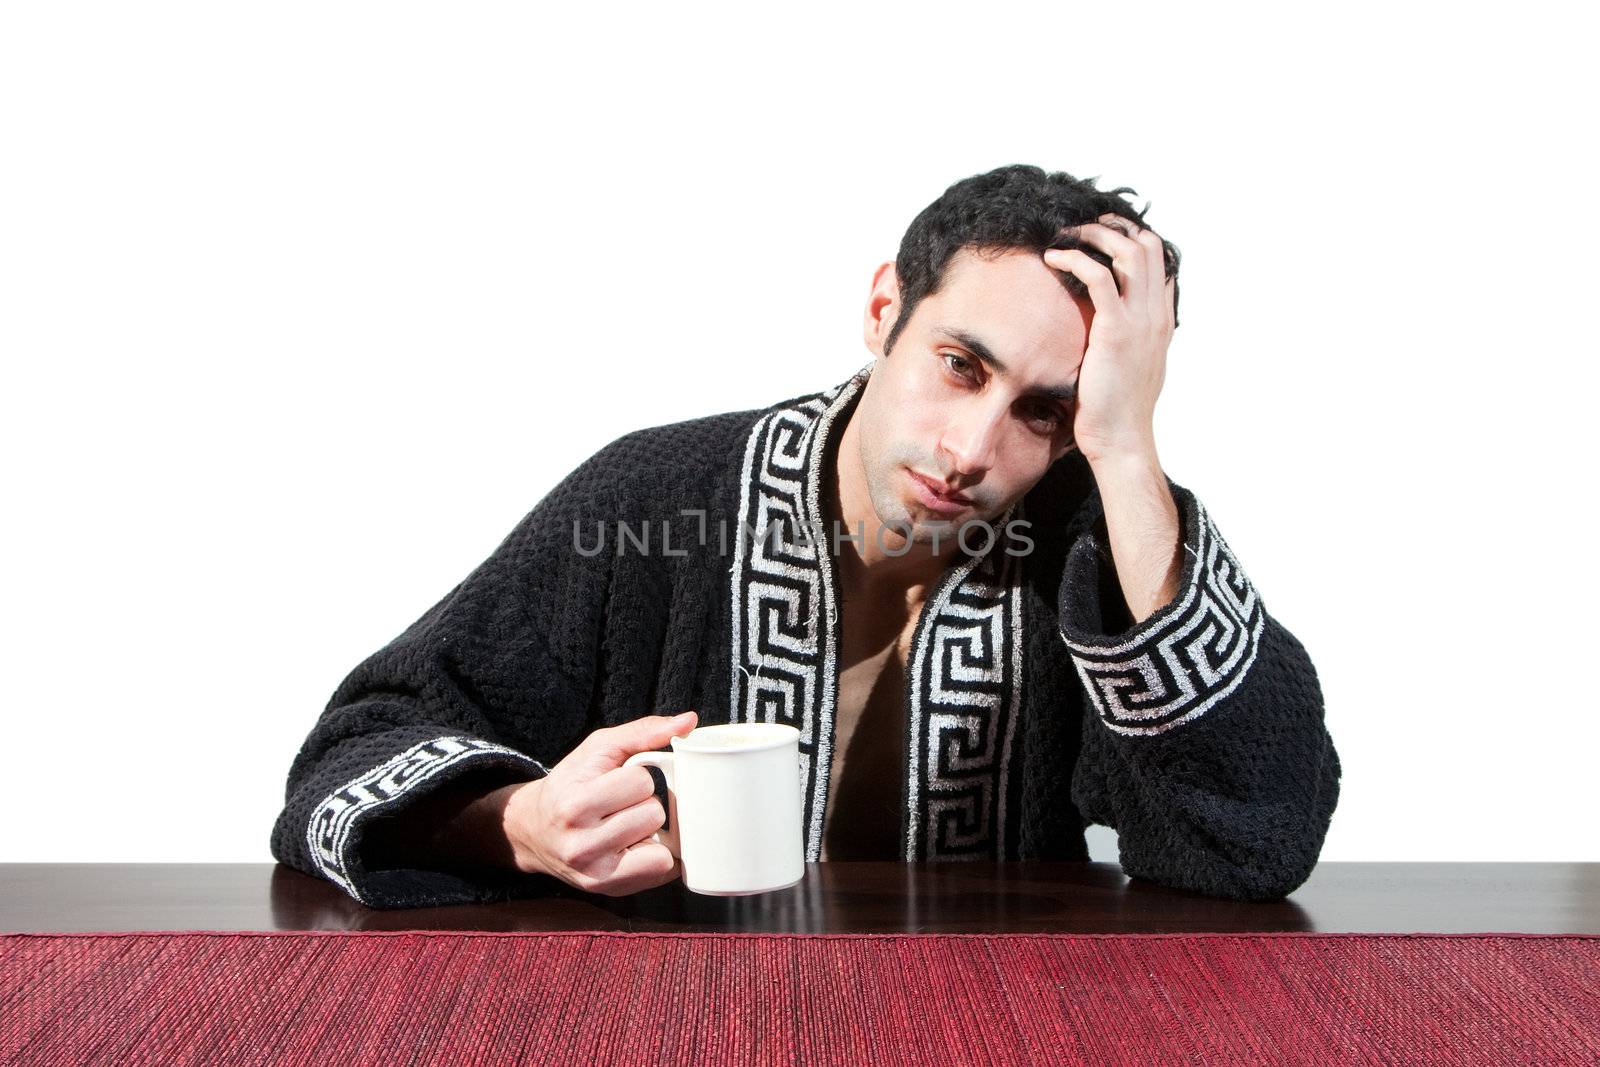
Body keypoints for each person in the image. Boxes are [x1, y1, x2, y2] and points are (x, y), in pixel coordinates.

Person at [270, 163, 1341, 909]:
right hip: (669, 1019)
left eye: (1042, 411)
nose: (971, 447)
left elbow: (1251, 840)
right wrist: (518, 820)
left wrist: (1123, 448)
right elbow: (351, 756)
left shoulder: (1092, 547)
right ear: (885, 310)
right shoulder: (655, 497)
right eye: (960, 365)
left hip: (985, 1021)